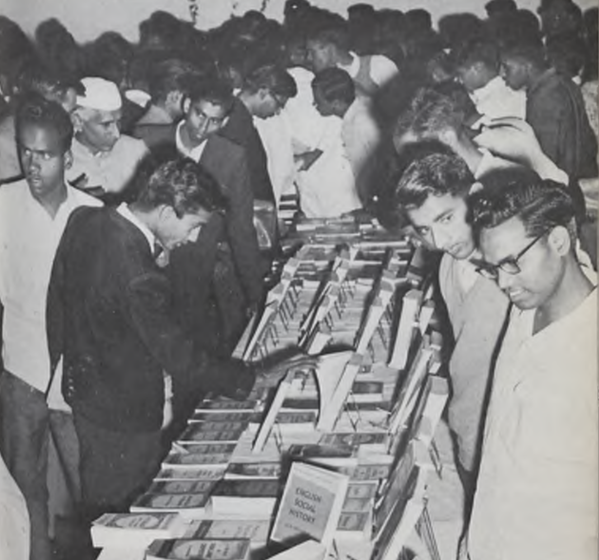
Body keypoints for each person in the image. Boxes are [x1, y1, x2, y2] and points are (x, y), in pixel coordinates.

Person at [466, 176, 597, 560]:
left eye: (511, 263)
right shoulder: (525, 306)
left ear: (558, 241)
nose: (503, 283)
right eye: (493, 268)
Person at [0, 94, 101, 560]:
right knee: (24, 492)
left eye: (43, 154)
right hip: (20, 370)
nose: (31, 163)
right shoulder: (1, 205)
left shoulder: (90, 215)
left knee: (90, 491)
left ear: (67, 156)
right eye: (24, 150)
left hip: (75, 376)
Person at [393, 147, 510, 516]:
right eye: (425, 229)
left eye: (446, 218)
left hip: (501, 448)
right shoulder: (447, 264)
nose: (440, 240)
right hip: (467, 436)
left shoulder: (511, 275)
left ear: (475, 197)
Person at [169, 78, 265, 355]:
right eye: (199, 115)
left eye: (214, 121)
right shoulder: (149, 140)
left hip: (198, 272)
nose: (203, 127)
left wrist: (254, 292)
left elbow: (241, 229)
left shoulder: (231, 157)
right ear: (187, 106)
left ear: (223, 123)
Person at [500, 40, 597, 181]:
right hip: (585, 176)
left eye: (506, 67)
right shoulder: (564, 81)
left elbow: (546, 158)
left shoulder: (544, 97)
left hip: (565, 183)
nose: (502, 74)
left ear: (527, 66)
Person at [222, 64, 297, 204]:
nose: (278, 111)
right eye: (278, 104)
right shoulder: (237, 124)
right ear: (263, 93)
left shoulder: (240, 117)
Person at [66, 76, 148, 198]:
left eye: (118, 122)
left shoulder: (136, 151)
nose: (116, 134)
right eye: (106, 124)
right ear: (77, 121)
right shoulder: (60, 163)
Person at [311, 67, 381, 204]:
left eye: (318, 101)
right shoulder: (357, 111)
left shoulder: (361, 124)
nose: (314, 104)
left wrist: (372, 206)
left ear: (336, 104)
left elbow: (379, 170)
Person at [305, 24, 398, 97]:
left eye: (312, 51)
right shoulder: (317, 81)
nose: (308, 58)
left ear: (330, 49)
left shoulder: (377, 65)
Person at [452, 37, 526, 121]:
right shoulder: (518, 93)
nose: (457, 79)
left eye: (461, 74)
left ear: (478, 68)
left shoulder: (487, 108)